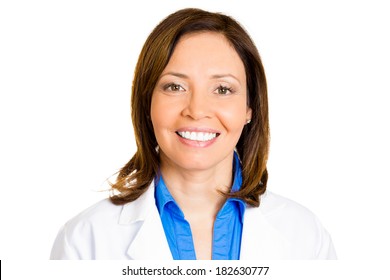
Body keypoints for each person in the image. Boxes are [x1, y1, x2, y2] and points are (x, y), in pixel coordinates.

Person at [50, 8, 336, 260]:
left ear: (250, 107)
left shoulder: (305, 237)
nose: (197, 110)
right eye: (175, 87)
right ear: (147, 101)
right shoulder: (84, 241)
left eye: (223, 89)